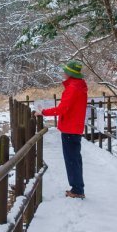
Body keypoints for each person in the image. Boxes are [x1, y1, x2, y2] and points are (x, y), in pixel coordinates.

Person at [41, 60, 87, 199]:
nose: (63, 73)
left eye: (65, 71)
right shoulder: (79, 86)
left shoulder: (73, 88)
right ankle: (77, 188)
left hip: (70, 128)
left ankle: (77, 190)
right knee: (74, 159)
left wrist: (43, 112)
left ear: (69, 73)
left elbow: (62, 108)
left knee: (72, 159)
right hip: (74, 127)